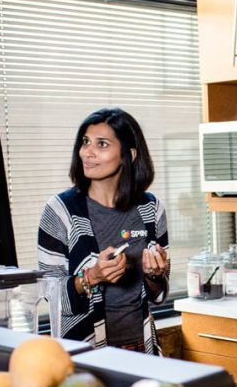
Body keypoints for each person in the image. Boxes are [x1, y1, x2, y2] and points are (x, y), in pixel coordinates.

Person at [37, 107, 169, 353]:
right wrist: (92, 277)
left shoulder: (151, 209)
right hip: (84, 353)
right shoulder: (60, 211)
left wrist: (155, 276)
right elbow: (49, 295)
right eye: (85, 142)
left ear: (128, 155)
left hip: (143, 348)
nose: (88, 152)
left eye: (102, 144)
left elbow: (158, 295)